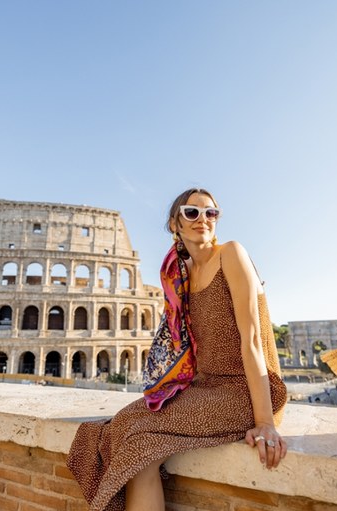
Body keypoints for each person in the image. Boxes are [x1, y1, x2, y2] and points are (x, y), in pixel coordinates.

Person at [67, 188, 287, 511]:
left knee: (139, 439)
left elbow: (252, 342)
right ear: (175, 224)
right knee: (123, 425)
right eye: (192, 212)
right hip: (204, 387)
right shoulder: (180, 277)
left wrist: (265, 421)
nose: (203, 220)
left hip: (246, 392)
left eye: (211, 213)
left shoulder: (232, 254)